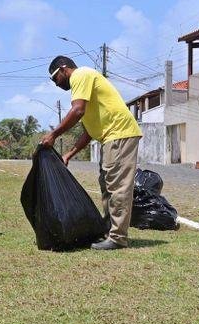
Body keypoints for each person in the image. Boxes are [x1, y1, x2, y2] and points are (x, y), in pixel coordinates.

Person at [39, 55, 144, 251]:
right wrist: (70, 153)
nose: (56, 84)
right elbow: (89, 130)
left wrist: (53, 134)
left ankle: (118, 237)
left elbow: (77, 111)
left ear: (64, 69)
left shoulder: (81, 75)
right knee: (107, 184)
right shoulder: (84, 87)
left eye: (55, 79)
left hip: (119, 134)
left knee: (117, 187)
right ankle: (109, 231)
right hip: (110, 137)